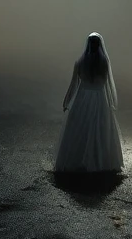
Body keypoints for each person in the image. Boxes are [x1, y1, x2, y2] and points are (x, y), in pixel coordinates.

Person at [53, 31, 124, 175]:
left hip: (82, 98)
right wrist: (111, 101)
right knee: (99, 128)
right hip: (99, 98)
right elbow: (108, 84)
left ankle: (76, 160)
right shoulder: (104, 62)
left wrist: (67, 100)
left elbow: (74, 84)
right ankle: (100, 161)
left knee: (80, 127)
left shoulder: (80, 62)